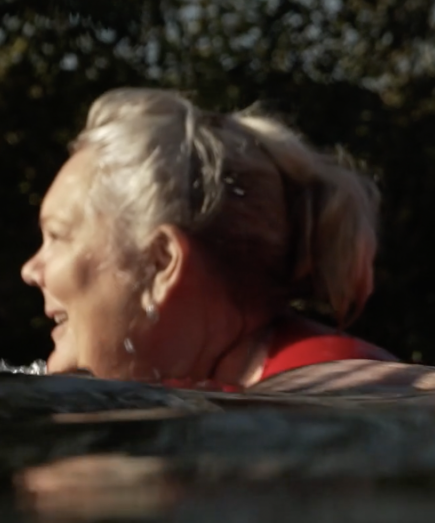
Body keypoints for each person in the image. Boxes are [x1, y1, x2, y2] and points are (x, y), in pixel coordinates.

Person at [22, 88, 395, 387]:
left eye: (57, 235)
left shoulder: (338, 390)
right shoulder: (224, 399)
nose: (30, 269)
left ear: (160, 262)